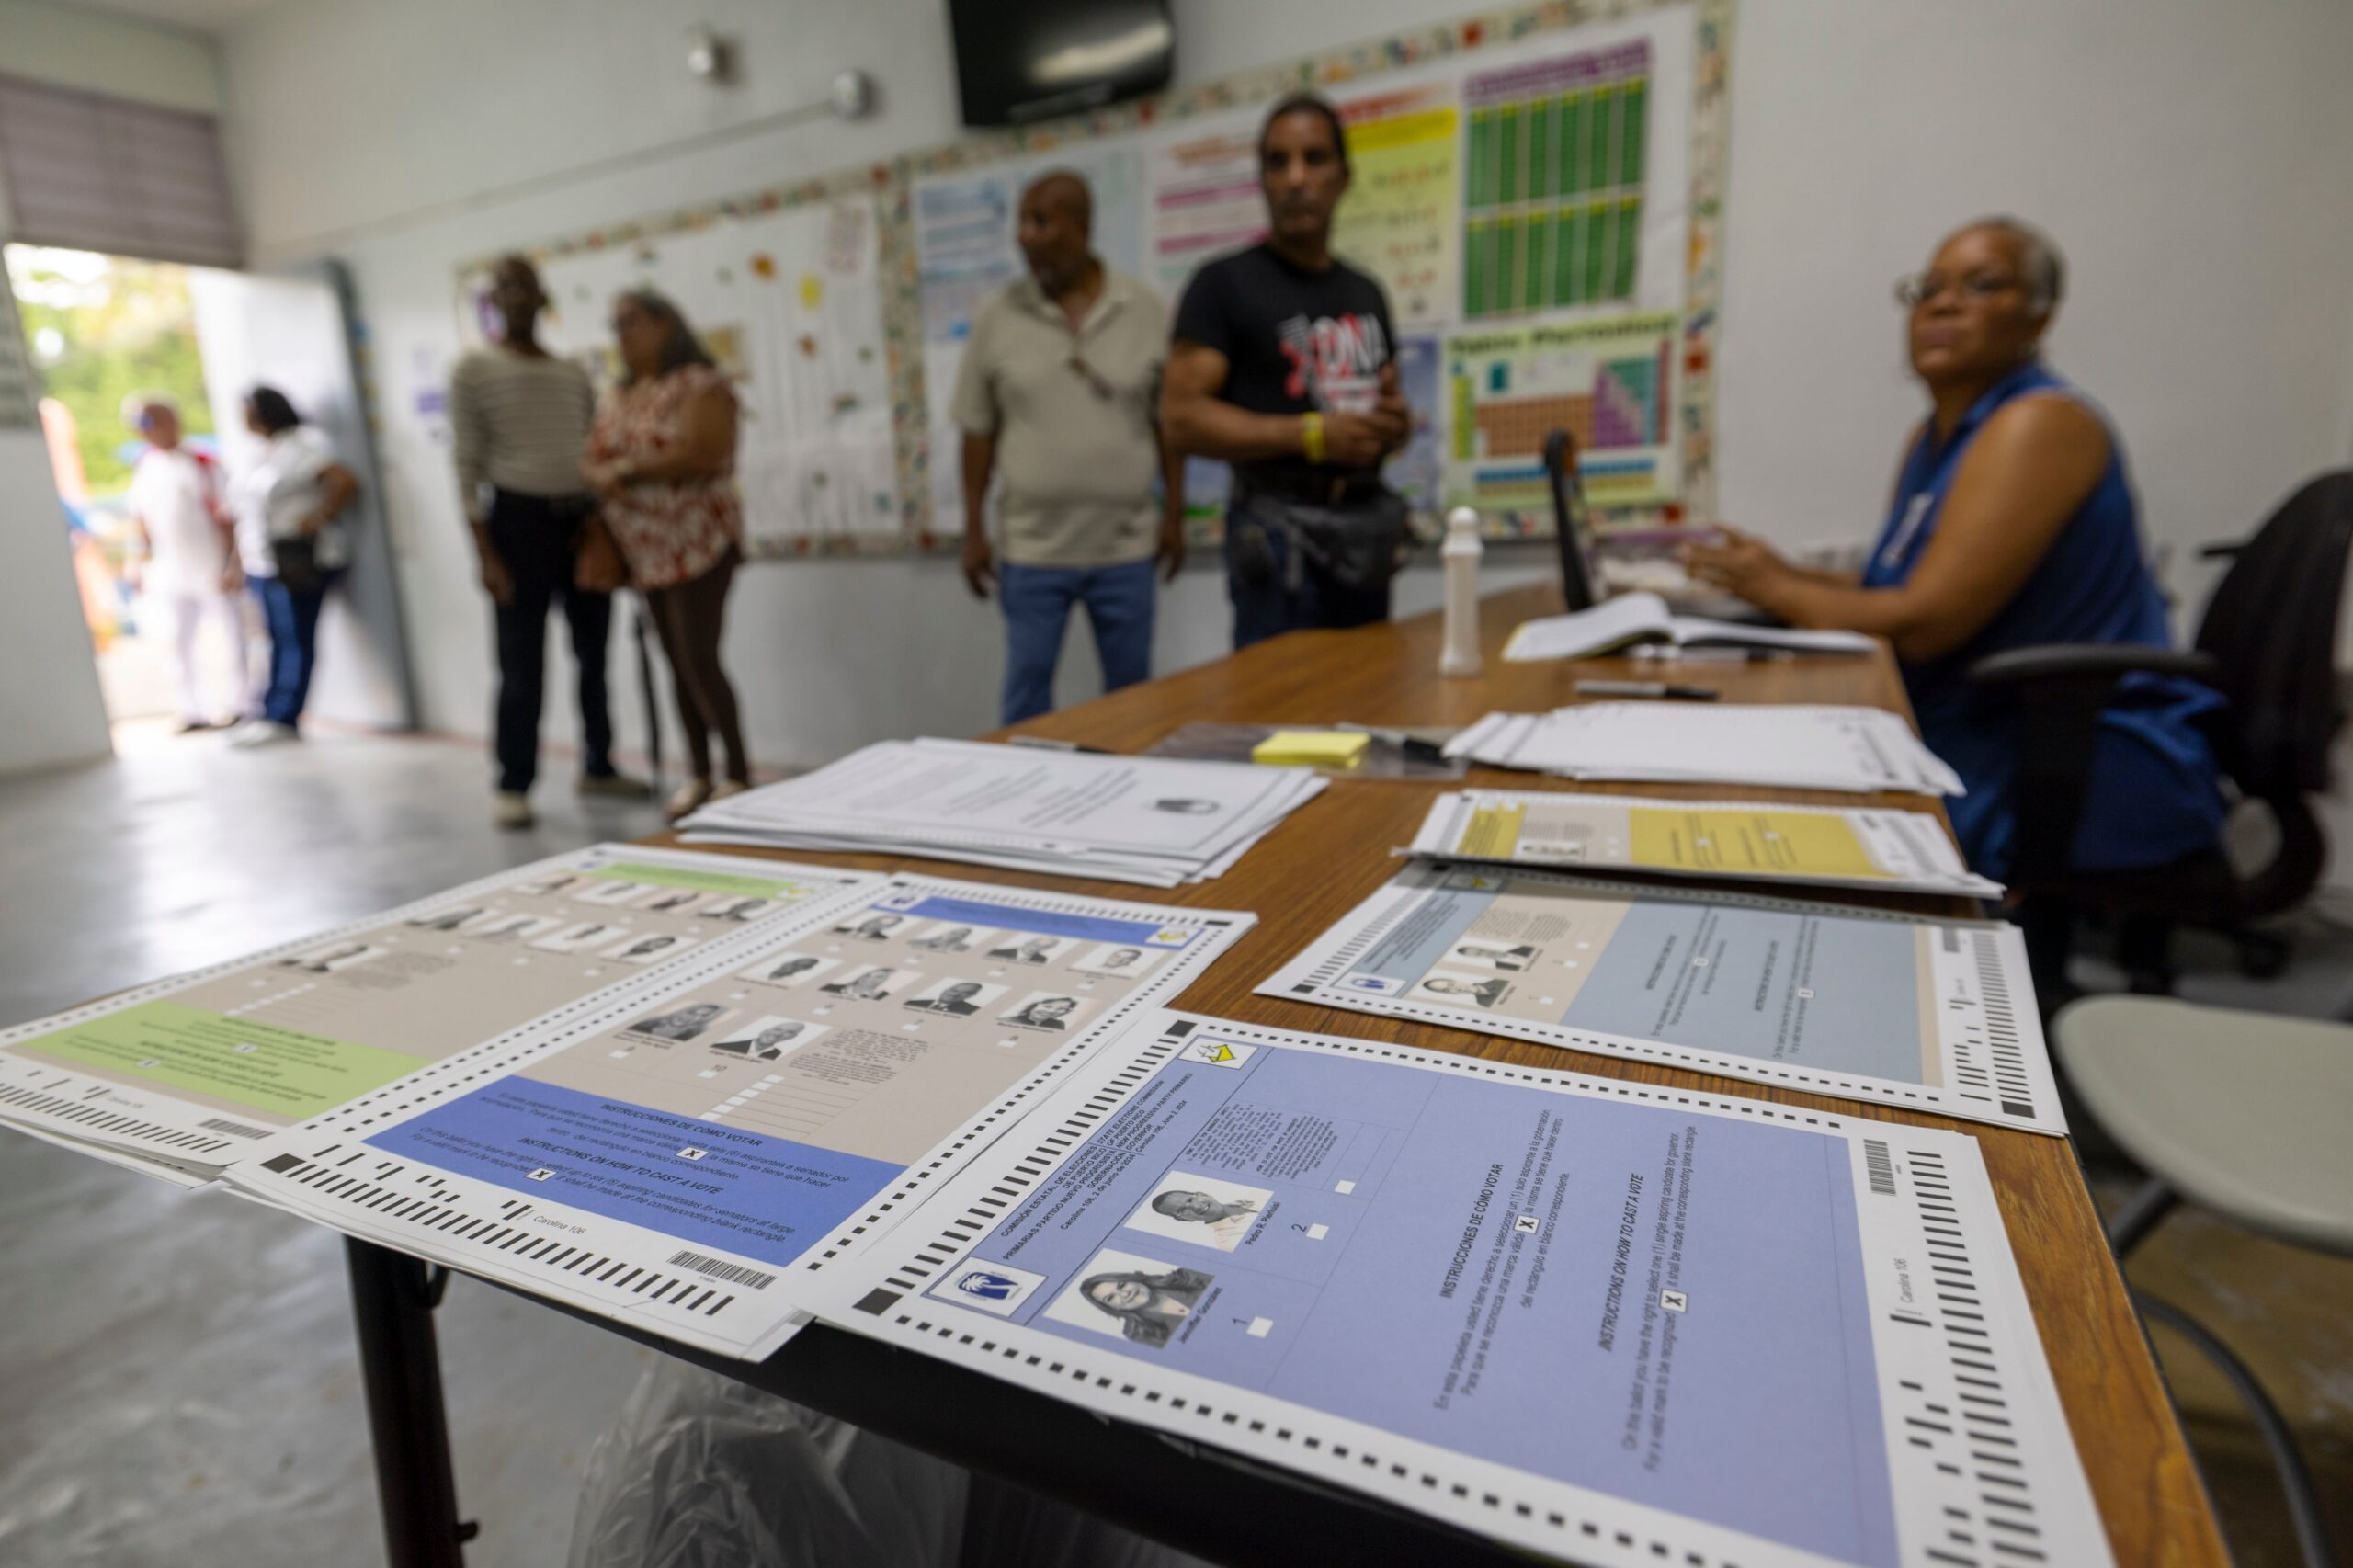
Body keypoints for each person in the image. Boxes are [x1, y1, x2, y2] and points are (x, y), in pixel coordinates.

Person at [1683, 219, 2225, 879]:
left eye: (1982, 285)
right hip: (1985, 724)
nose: (1942, 304)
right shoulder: (1936, 437)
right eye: (1928, 289)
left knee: (1766, 812)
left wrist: (1777, 592)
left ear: (2039, 316)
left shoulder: (2038, 423)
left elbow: (1925, 624)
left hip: (2077, 755)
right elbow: (1896, 585)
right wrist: (1770, 572)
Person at [1164, 94, 1413, 649]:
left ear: (1343, 177)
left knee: (1368, 704)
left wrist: (1393, 426)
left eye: (1314, 159)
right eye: (1278, 163)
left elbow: (1386, 412)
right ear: (1262, 180)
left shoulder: (1365, 291)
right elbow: (1180, 418)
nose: (1296, 178)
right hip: (1278, 544)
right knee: (1281, 719)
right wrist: (1309, 435)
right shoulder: (1223, 285)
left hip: (1365, 536)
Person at [953, 170, 1186, 725]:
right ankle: (1024, 803)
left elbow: (1170, 426)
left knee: (1134, 702)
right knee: (1026, 698)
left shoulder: (1145, 309)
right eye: (1021, 222)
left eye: (1040, 220)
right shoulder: (998, 318)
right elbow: (976, 430)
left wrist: (1174, 514)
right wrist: (973, 530)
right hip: (1033, 551)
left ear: (1080, 228)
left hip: (1125, 548)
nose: (1024, 237)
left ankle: (1133, 801)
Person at [453, 256, 646, 829]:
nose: (516, 296)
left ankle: (599, 762)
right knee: (521, 664)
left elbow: (592, 452)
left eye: (526, 286)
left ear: (543, 298)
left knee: (594, 654)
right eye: (504, 287)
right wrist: (485, 553)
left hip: (581, 522)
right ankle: (513, 782)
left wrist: (601, 521)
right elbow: (465, 466)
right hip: (516, 525)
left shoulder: (570, 372)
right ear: (493, 300)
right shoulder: (473, 369)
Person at [585, 290, 752, 820]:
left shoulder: (699, 384)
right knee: (674, 663)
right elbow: (592, 459)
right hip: (644, 550)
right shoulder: (620, 392)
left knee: (700, 657)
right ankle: (699, 773)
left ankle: (739, 774)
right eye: (614, 324)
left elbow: (703, 451)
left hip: (700, 544)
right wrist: (603, 475)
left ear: (665, 323)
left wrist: (627, 471)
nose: (621, 333)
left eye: (630, 321)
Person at [228, 387, 359, 747]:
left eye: (249, 410)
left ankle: (285, 717)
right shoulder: (257, 454)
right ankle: (267, 712)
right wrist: (236, 563)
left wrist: (319, 516)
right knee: (272, 639)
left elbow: (345, 481)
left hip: (299, 560)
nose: (244, 418)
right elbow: (246, 514)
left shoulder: (303, 446)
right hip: (262, 563)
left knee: (295, 638)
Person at [121, 394, 245, 732]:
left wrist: (232, 564)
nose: (145, 431)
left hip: (209, 563)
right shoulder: (145, 466)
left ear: (172, 421)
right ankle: (193, 710)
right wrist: (136, 560)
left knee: (230, 635)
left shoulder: (202, 463)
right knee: (176, 639)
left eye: (149, 422)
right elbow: (141, 522)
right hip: (170, 567)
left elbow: (228, 519)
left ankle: (240, 703)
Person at [1076, 1266, 1211, 1348]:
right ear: (1112, 1308)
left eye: (1122, 1285)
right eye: (1111, 1298)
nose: (1124, 1294)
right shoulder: (1138, 1334)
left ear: (1133, 1279)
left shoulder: (1186, 1275)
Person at [633, 1003, 722, 1041]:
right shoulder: (645, 1023)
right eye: (691, 1012)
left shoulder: (689, 1036)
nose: (692, 1017)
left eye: (703, 1015)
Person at [907, 981, 986, 1017]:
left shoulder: (973, 1011)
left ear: (972, 995)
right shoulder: (913, 1003)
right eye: (954, 990)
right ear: (946, 989)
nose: (955, 994)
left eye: (965, 993)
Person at [1004, 995, 1077, 1030]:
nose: (1051, 1011)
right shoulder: (1008, 1021)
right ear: (1036, 1005)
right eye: (1047, 1006)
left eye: (1061, 1009)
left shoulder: (1059, 1024)